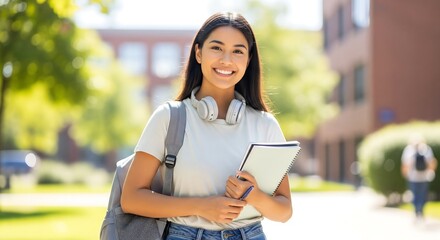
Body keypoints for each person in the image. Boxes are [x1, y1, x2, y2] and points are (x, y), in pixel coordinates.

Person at [120, 12, 292, 239]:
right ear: (199, 53)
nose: (226, 60)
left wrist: (254, 195)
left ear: (248, 60)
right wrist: (200, 206)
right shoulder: (169, 117)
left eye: (238, 51)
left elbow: (284, 211)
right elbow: (131, 198)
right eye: (217, 48)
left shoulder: (265, 125)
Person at [401, 134, 437, 222]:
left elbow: (405, 165)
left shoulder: (408, 150)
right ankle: (421, 211)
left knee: (415, 195)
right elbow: (432, 163)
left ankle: (417, 211)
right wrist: (430, 172)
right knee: (423, 195)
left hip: (413, 177)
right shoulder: (426, 149)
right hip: (424, 177)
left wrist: (406, 175)